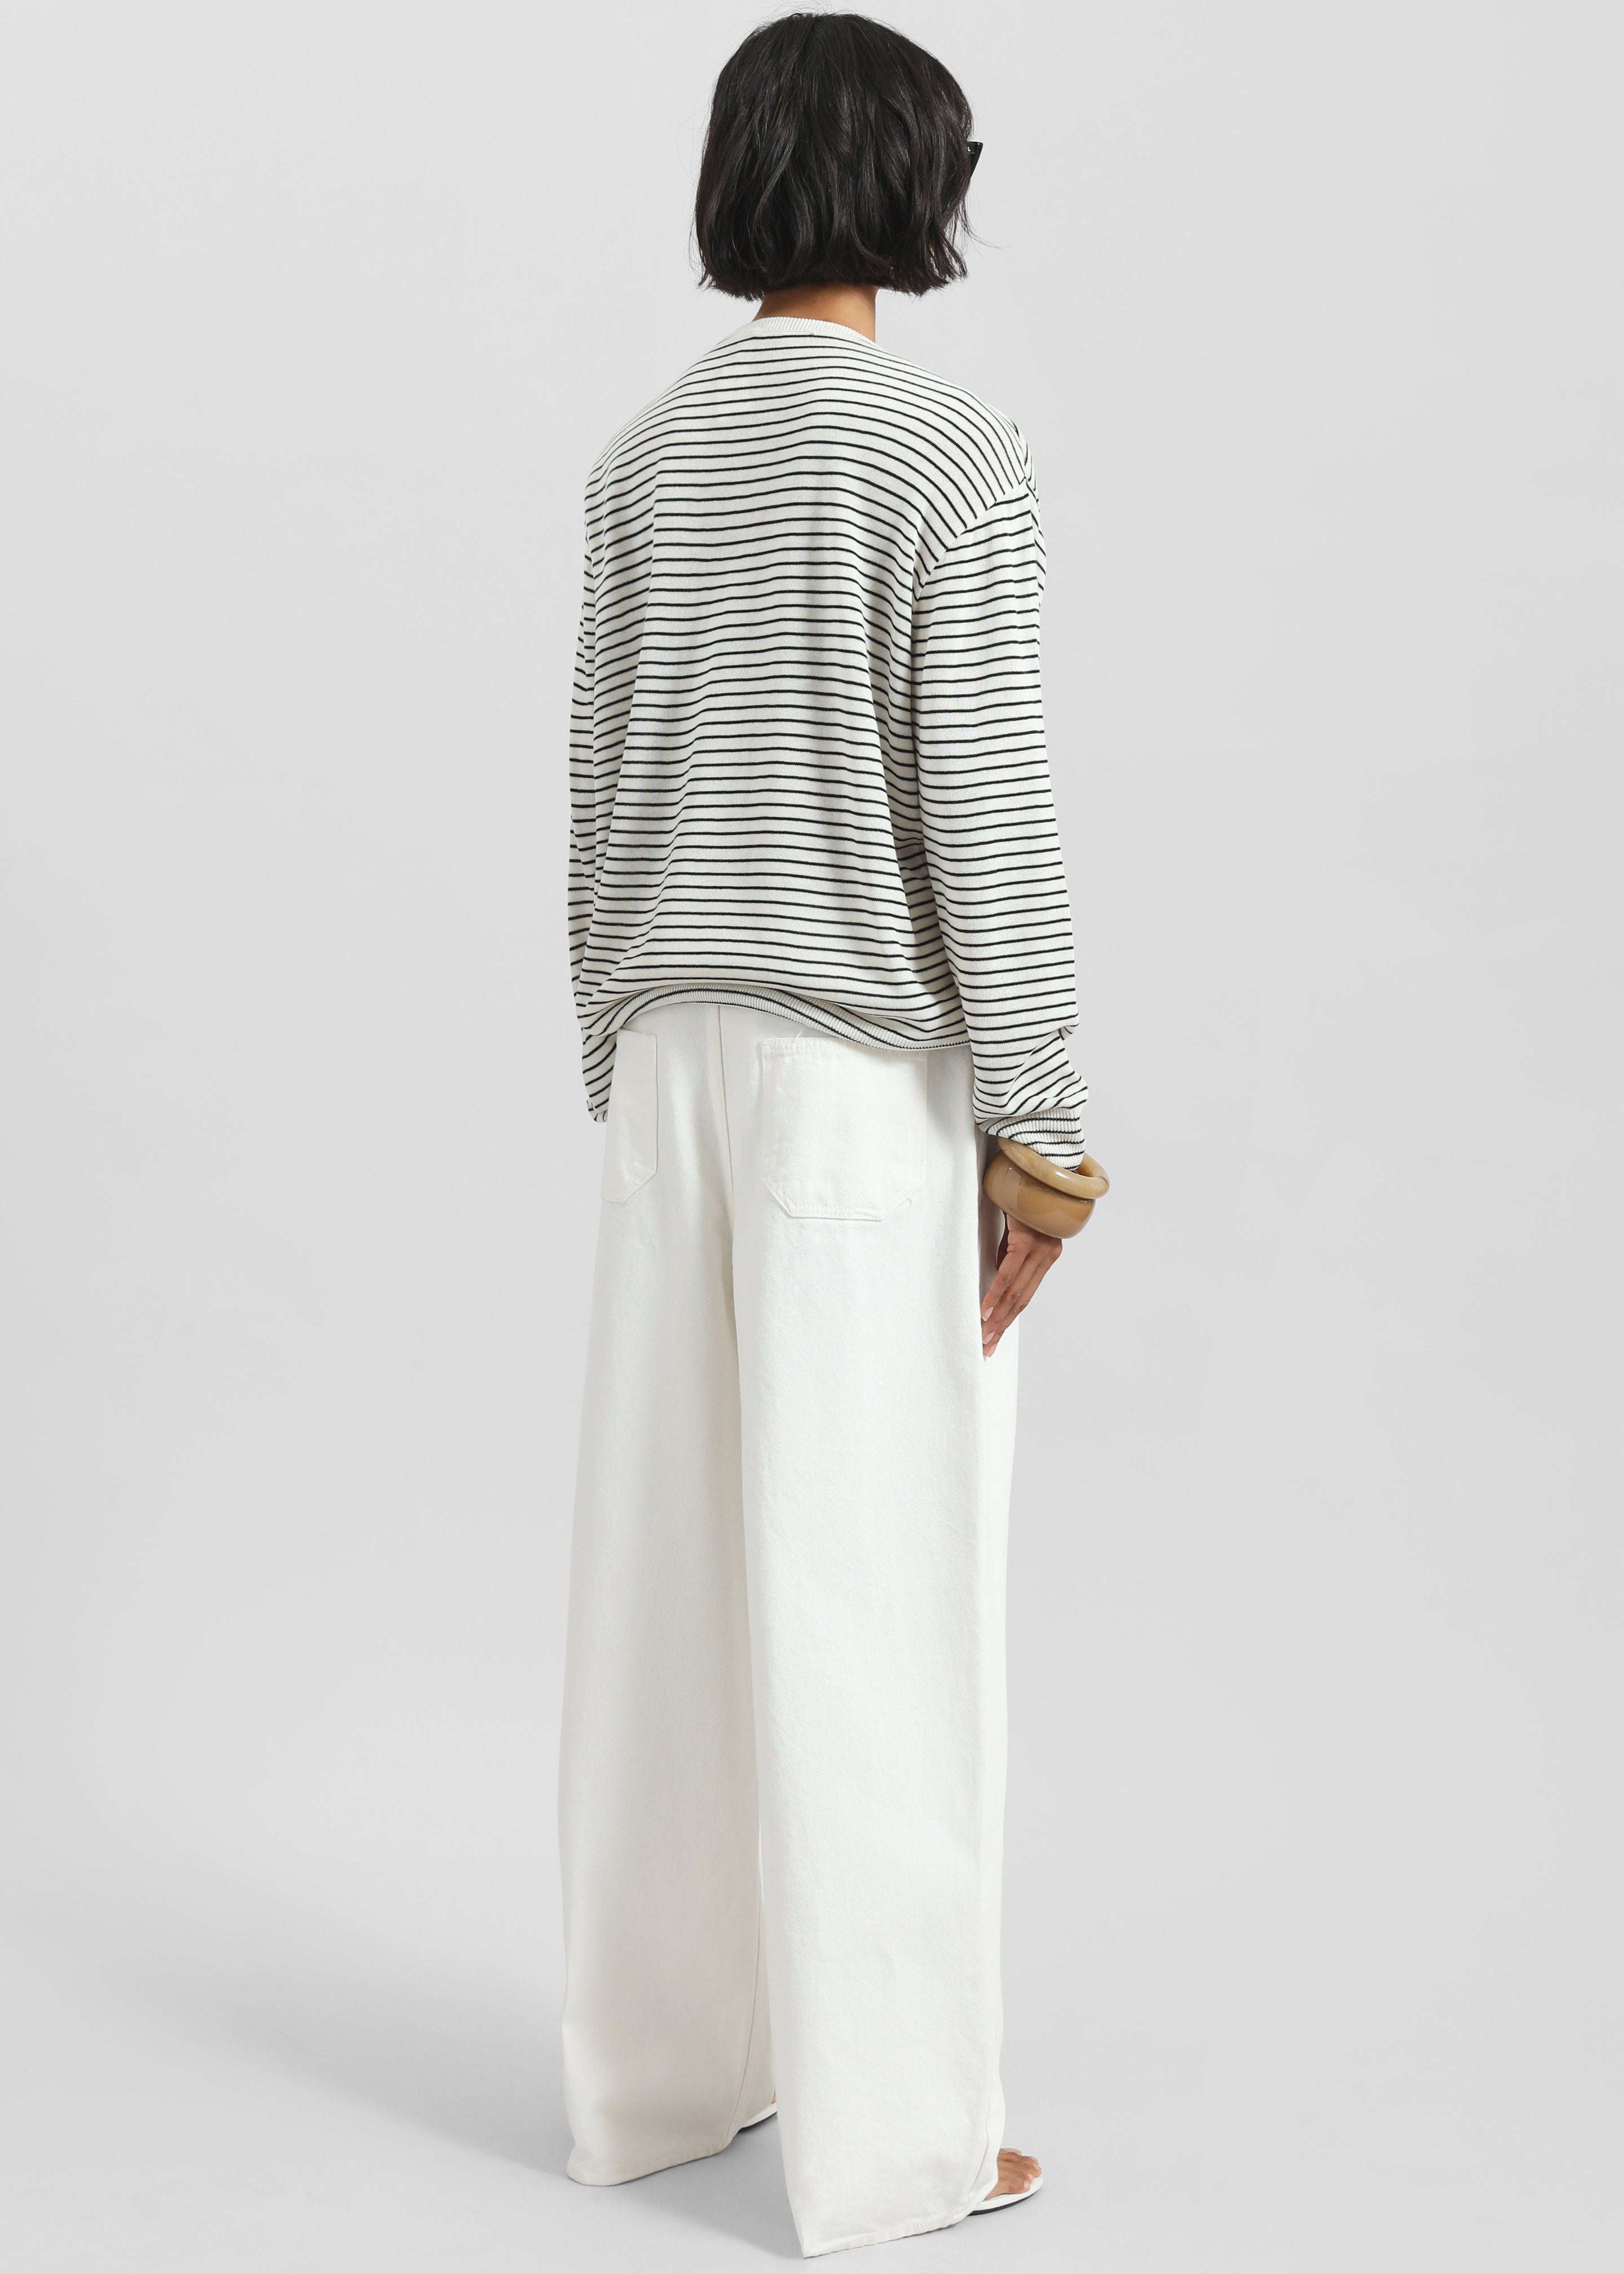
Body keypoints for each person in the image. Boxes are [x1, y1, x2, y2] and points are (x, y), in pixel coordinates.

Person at [557, 12, 1089, 2255]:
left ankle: (656, 2087)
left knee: (665, 1586)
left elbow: (599, 772)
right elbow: (984, 793)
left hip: (671, 1048)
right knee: (878, 1589)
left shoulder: (644, 456)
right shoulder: (948, 449)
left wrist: (619, 1046)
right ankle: (895, 2147)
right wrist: (1043, 1131)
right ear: (916, 184)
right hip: (858, 1072)